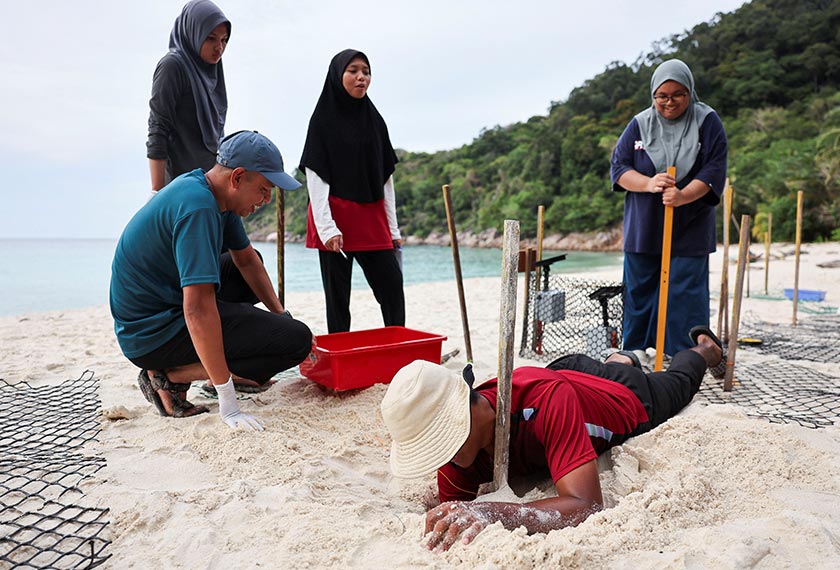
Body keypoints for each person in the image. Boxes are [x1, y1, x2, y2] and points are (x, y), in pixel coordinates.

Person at [380, 325, 725, 551]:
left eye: (438, 443)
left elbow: (585, 505)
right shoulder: (458, 451)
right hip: (568, 371)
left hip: (622, 396)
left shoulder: (542, 403)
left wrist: (494, 512)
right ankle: (621, 358)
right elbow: (455, 511)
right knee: (608, 369)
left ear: (463, 415)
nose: (441, 461)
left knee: (678, 384)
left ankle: (704, 349)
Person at [110, 131, 312, 429]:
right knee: (296, 341)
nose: (267, 200)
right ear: (238, 177)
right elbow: (197, 309)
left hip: (164, 306)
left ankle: (223, 365)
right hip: (149, 333)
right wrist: (228, 404)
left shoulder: (214, 193)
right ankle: (168, 377)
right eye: (265, 189)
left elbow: (246, 261)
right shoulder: (198, 207)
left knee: (251, 271)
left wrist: (281, 315)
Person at [610, 59, 728, 355]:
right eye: (662, 96)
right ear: (653, 95)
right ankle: (636, 352)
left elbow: (714, 170)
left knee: (684, 293)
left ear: (690, 92)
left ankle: (685, 355)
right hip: (645, 226)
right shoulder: (639, 123)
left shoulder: (707, 121)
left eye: (678, 94)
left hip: (691, 226)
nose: (670, 102)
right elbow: (619, 167)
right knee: (639, 291)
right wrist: (649, 183)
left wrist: (683, 195)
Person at [299, 49, 405, 333]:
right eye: (353, 71)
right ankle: (341, 356)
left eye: (366, 72)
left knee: (392, 286)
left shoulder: (374, 120)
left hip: (372, 216)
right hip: (335, 217)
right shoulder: (322, 120)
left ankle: (396, 345)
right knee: (337, 299)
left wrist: (393, 229)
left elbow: (385, 178)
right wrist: (326, 227)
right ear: (338, 75)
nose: (361, 77)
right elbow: (315, 174)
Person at [147, 0, 231, 196]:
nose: (219, 47)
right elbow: (158, 128)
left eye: (224, 39)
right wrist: (157, 194)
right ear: (193, 33)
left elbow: (217, 136)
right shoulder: (173, 67)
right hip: (180, 191)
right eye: (211, 38)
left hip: (211, 187)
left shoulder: (212, 72)